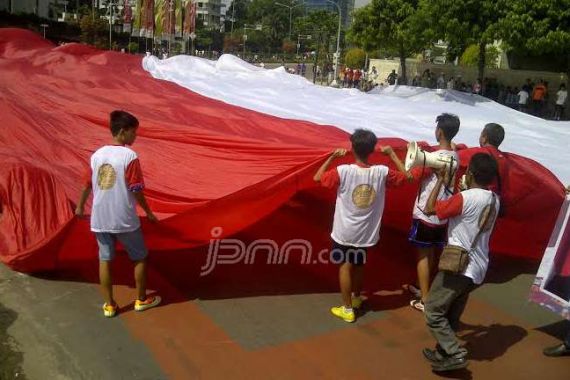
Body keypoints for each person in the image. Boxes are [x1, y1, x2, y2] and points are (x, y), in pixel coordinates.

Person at [314, 129, 407, 323]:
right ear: (373, 149)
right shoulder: (381, 172)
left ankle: (347, 309)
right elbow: (405, 177)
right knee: (358, 264)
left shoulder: (344, 170)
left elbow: (318, 178)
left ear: (352, 148)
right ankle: (356, 298)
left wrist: (331, 157)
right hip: (366, 233)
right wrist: (392, 155)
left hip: (344, 232)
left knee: (345, 267)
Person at [75, 110, 161, 318]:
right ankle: (141, 300)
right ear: (123, 131)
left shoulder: (97, 155)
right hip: (123, 218)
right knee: (140, 257)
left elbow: (87, 184)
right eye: (134, 132)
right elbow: (136, 189)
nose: (135, 136)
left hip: (100, 218)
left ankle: (110, 305)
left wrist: (79, 207)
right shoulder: (129, 156)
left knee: (105, 260)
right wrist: (148, 212)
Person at [421, 153, 500, 372]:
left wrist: (439, 181)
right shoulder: (494, 198)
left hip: (459, 266)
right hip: (478, 267)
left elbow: (429, 209)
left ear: (471, 173)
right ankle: (443, 351)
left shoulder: (465, 198)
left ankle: (455, 353)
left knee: (433, 310)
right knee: (452, 312)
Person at [383, 114, 460, 312]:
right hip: (441, 214)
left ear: (439, 131)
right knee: (432, 251)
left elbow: (408, 176)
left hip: (426, 213)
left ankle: (425, 299)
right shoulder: (454, 155)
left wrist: (392, 155)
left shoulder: (434, 159)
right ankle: (422, 288)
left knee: (423, 256)